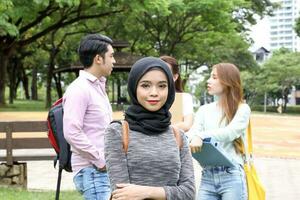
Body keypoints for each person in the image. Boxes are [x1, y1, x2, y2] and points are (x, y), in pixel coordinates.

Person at [104, 57, 195, 200]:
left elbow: (189, 193)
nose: (154, 92)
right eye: (145, 85)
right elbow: (120, 194)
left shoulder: (178, 135)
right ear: (134, 87)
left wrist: (145, 192)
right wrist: (169, 193)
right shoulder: (117, 132)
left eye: (162, 86)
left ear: (170, 88)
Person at [63, 33, 116, 200]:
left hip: (99, 170)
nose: (114, 61)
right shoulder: (79, 89)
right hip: (92, 170)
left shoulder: (98, 87)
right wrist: (100, 160)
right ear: (98, 59)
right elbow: (72, 132)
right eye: (111, 56)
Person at [187, 63, 250, 200]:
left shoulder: (242, 109)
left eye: (214, 77)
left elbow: (230, 133)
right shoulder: (204, 110)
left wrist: (200, 136)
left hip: (232, 175)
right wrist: (192, 136)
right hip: (208, 175)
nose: (208, 81)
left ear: (228, 82)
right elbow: (192, 133)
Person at [160, 55, 194, 132]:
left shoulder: (184, 97)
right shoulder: (149, 96)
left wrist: (161, 130)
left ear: (175, 77)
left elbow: (187, 124)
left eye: (166, 72)